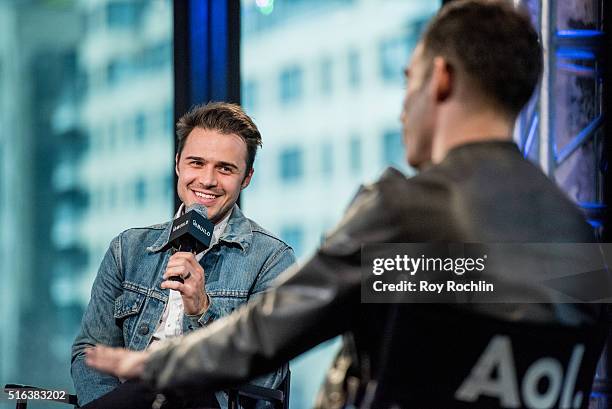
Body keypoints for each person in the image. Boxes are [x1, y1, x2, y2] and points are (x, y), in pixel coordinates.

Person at [86, 1, 607, 407]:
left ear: (441, 79)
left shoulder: (404, 212)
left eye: (409, 80)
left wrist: (153, 367)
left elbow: (263, 334)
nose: (405, 108)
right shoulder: (581, 242)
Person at [71, 102, 296, 408]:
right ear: (178, 164)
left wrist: (201, 312)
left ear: (246, 178)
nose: (207, 180)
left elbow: (264, 380)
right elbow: (90, 353)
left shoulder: (271, 259)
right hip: (127, 402)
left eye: (225, 168)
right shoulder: (128, 248)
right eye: (196, 163)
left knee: (166, 385)